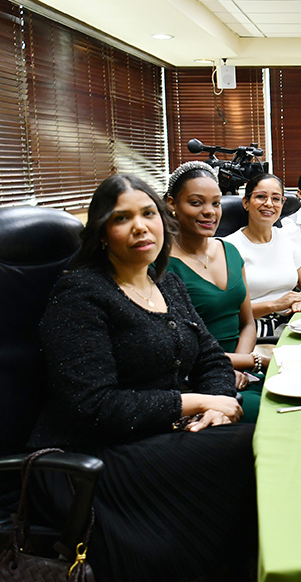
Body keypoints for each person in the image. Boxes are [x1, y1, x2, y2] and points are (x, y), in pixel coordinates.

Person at [29, 174, 256, 582]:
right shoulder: (80, 294)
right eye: (122, 218)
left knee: (257, 440)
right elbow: (91, 406)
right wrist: (195, 402)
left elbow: (210, 358)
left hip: (157, 433)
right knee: (253, 449)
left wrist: (218, 407)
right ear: (102, 233)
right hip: (90, 457)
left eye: (148, 213)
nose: (140, 227)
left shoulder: (164, 280)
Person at [164, 161, 270, 422]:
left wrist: (243, 365)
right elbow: (177, 351)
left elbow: (247, 322)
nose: (209, 212)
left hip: (244, 370)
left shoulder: (230, 251)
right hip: (199, 380)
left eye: (216, 203)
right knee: (275, 415)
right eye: (196, 203)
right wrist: (241, 365)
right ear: (172, 204)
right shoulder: (161, 267)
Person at [224, 172, 301, 336]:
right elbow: (230, 310)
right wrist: (275, 305)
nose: (269, 204)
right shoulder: (228, 247)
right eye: (261, 197)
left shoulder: (288, 236)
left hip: (295, 318)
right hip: (255, 327)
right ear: (246, 202)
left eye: (276, 199)